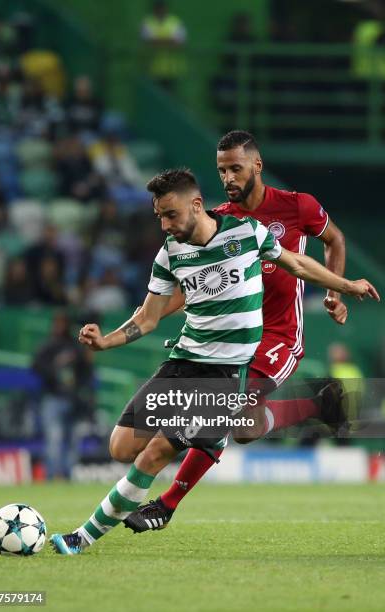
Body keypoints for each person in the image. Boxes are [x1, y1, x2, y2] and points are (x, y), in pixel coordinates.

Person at [49, 168, 378, 554]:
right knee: (121, 447)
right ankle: (304, 406)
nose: (165, 224)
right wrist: (106, 342)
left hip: (224, 374)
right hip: (183, 361)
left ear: (196, 205)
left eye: (171, 215)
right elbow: (148, 317)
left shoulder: (247, 234)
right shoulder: (170, 252)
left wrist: (347, 285)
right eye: (159, 217)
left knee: (157, 452)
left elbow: (300, 265)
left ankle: (82, 537)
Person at [122, 130, 357, 532]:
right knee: (247, 428)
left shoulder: (298, 206)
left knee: (224, 410)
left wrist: (336, 290)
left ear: (257, 166)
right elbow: (188, 282)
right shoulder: (219, 221)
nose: (228, 177)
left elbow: (333, 239)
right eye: (221, 170)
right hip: (232, 338)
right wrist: (153, 313)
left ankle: (167, 503)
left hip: (280, 335)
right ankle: (320, 405)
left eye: (236, 168)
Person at [32, 312, 94, 479]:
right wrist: (56, 368)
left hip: (73, 399)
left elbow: (86, 371)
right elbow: (36, 367)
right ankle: (52, 476)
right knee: (54, 438)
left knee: (72, 439)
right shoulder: (48, 346)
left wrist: (81, 389)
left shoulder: (75, 347)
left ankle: (68, 475)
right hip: (53, 398)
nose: (59, 327)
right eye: (57, 323)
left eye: (62, 323)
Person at [140, 0, 187, 92]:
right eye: (158, 8)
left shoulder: (175, 22)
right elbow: (148, 42)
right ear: (154, 9)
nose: (160, 11)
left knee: (170, 98)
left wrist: (157, 41)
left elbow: (180, 43)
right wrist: (169, 41)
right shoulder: (148, 22)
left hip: (172, 69)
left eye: (162, 8)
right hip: (152, 69)